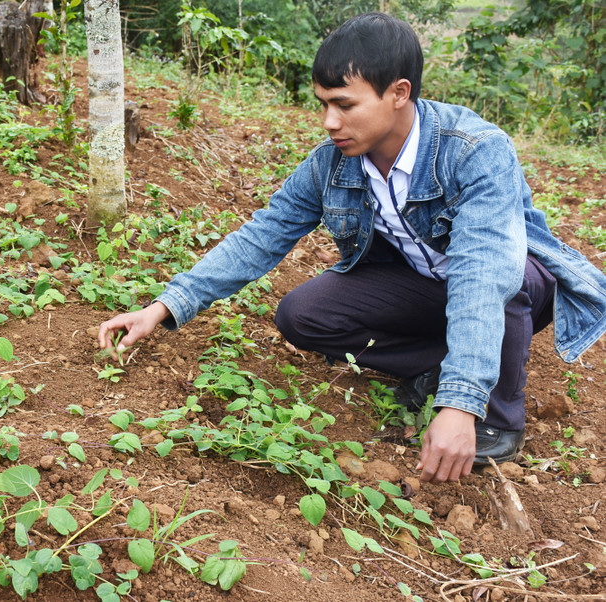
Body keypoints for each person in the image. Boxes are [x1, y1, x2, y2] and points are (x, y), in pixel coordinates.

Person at [98, 12, 606, 483]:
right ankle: (434, 364)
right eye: (323, 103)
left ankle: (498, 415)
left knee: (509, 274)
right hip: (424, 283)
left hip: (507, 286)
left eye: (345, 104)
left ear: (398, 93)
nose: (329, 122)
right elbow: (262, 234)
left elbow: (481, 273)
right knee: (303, 314)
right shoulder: (332, 163)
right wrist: (166, 306)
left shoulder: (474, 150)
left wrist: (459, 405)